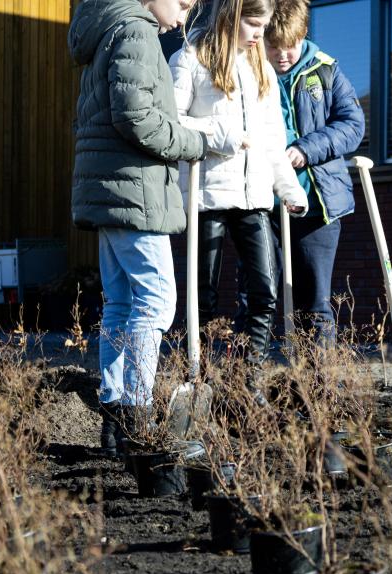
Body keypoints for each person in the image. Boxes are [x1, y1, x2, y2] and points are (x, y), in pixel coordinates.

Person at [68, 0, 207, 456]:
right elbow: (135, 117)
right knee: (156, 300)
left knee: (122, 302)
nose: (184, 17)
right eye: (184, 4)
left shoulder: (106, 28)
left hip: (113, 190)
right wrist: (193, 142)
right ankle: (137, 413)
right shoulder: (136, 31)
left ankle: (114, 419)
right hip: (135, 190)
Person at [169, 0, 308, 362]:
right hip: (207, 197)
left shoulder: (260, 67)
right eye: (252, 24)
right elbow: (170, 121)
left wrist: (289, 190)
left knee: (266, 290)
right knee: (204, 296)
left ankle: (248, 377)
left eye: (263, 26)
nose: (260, 34)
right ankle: (196, 373)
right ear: (231, 16)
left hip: (254, 197)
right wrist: (221, 134)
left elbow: (273, 141)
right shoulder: (192, 58)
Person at [263, 0, 365, 346]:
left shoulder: (325, 70)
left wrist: (306, 150)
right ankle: (246, 387)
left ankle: (318, 389)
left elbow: (352, 125)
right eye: (272, 46)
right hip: (264, 203)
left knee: (314, 301)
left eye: (288, 47)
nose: (281, 56)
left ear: (303, 35)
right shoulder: (252, 76)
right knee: (260, 294)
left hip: (317, 203)